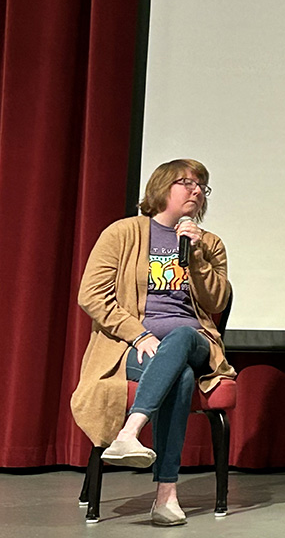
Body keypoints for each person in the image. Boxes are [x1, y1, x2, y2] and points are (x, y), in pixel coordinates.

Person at [71, 159, 236, 526]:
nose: (196, 191)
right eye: (187, 183)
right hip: (133, 347)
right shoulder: (122, 233)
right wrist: (138, 333)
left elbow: (217, 301)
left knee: (181, 337)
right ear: (162, 186)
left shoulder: (208, 244)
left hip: (195, 343)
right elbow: (92, 295)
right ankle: (166, 495)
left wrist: (196, 258)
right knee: (179, 378)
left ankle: (130, 431)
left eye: (202, 187)